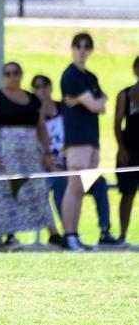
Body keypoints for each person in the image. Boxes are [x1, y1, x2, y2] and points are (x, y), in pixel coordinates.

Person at [32, 74, 119, 247]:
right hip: (52, 168)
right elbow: (40, 154)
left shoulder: (64, 109)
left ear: (51, 87)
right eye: (37, 86)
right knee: (61, 186)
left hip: (73, 160)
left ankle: (105, 231)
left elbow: (99, 106)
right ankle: (69, 234)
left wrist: (83, 100)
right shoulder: (33, 116)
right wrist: (58, 171)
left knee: (99, 183)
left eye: (45, 85)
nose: (42, 89)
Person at [0, 62, 55, 247]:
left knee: (38, 189)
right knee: (6, 191)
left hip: (30, 152)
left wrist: (47, 151)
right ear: (3, 76)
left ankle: (53, 232)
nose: (12, 76)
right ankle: (10, 235)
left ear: (21, 75)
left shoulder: (32, 99)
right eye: (8, 73)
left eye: (16, 73)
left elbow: (40, 125)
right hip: (5, 152)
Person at [60, 32, 110, 251]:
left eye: (86, 47)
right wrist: (91, 100)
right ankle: (68, 235)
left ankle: (75, 235)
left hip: (92, 140)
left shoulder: (91, 77)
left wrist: (86, 99)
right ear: (72, 48)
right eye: (78, 46)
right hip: (77, 139)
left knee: (82, 188)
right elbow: (96, 105)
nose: (82, 50)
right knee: (75, 186)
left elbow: (102, 104)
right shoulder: (70, 75)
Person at [114, 55, 139, 242]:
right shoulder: (125, 94)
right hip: (130, 150)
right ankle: (122, 234)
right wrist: (122, 148)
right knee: (128, 193)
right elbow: (117, 124)